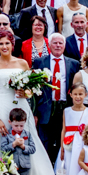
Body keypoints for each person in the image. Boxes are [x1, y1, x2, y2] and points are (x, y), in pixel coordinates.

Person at [0, 31, 57, 175]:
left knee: (27, 141)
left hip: (20, 108)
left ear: (12, 44)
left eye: (7, 43)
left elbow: (30, 90)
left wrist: (25, 92)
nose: (4, 46)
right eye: (0, 44)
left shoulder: (22, 63)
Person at [33, 33, 79, 163]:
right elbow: (34, 90)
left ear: (64, 45)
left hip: (65, 108)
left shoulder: (74, 64)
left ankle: (61, 169)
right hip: (45, 108)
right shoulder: (39, 62)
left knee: (63, 141)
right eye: (55, 43)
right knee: (44, 142)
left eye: (60, 43)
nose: (58, 45)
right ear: (49, 45)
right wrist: (35, 112)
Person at [55, 82, 88, 175]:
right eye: (75, 94)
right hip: (69, 144)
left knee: (79, 165)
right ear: (70, 95)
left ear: (85, 95)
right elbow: (64, 130)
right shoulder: (66, 111)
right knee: (69, 165)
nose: (78, 97)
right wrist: (62, 149)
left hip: (82, 143)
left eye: (80, 94)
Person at [0, 107, 37, 175]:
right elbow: (3, 149)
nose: (19, 128)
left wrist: (23, 147)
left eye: (21, 126)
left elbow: (33, 149)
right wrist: (13, 144)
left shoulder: (27, 134)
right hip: (11, 167)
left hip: (25, 167)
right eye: (16, 126)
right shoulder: (6, 134)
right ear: (10, 122)